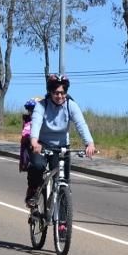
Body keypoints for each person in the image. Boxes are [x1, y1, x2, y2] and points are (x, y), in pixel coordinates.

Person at [25, 74, 97, 207]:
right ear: (50, 92)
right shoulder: (41, 106)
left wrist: (89, 143)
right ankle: (33, 190)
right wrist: (34, 142)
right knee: (38, 166)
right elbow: (35, 124)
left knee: (63, 180)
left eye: (63, 92)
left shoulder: (71, 105)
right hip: (42, 145)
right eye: (56, 93)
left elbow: (81, 125)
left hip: (62, 147)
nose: (60, 96)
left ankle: (63, 219)